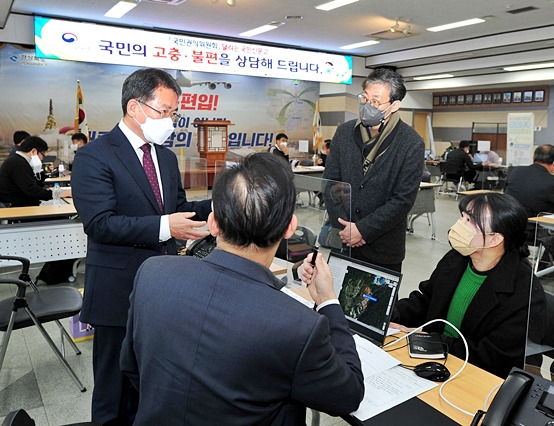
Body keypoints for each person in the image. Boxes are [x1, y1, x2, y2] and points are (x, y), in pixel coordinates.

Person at [120, 153, 364, 424]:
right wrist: (329, 301)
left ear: (213, 223)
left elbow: (132, 368)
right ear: (289, 228)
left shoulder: (152, 274)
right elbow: (349, 394)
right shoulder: (298, 326)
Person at [71, 68, 212, 424]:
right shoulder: (95, 156)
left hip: (163, 287)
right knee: (113, 394)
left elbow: (178, 208)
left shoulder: (165, 156)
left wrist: (222, 205)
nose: (171, 121)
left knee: (151, 386)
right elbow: (100, 224)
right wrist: (167, 226)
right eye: (164, 111)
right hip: (118, 292)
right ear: (135, 107)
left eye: (174, 113)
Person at [390, 192, 547, 378]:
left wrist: (431, 341)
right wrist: (390, 316)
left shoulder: (524, 293)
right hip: (435, 358)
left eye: (470, 221)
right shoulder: (456, 259)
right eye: (462, 217)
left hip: (476, 375)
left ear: (495, 238)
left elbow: (493, 358)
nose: (459, 225)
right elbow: (425, 300)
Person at [322, 68, 424, 272]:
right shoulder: (345, 132)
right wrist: (346, 228)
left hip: (383, 248)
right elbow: (330, 182)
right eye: (364, 98)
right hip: (343, 240)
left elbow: (402, 199)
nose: (368, 106)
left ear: (394, 105)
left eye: (376, 102)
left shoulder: (411, 143)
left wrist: (363, 230)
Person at [505, 144, 554, 217]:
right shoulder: (553, 182)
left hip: (510, 221)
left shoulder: (515, 171)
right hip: (536, 226)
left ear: (533, 158)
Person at [0, 136, 71, 206]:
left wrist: (44, 173)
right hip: (18, 207)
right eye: (42, 155)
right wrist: (58, 194)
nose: (42, 159)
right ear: (34, 151)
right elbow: (32, 190)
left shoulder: (19, 160)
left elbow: (32, 183)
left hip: (21, 201)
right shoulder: (19, 164)